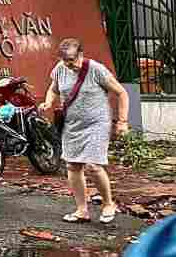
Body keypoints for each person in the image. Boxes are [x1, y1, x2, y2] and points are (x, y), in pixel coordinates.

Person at [39, 37, 129, 225]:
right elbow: (53, 89)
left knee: (93, 166)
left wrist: (122, 121)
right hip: (72, 125)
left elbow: (121, 93)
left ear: (80, 54)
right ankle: (82, 210)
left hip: (97, 123)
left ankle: (108, 204)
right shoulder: (59, 70)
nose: (69, 65)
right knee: (73, 166)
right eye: (65, 61)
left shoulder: (96, 69)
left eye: (72, 60)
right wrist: (48, 102)